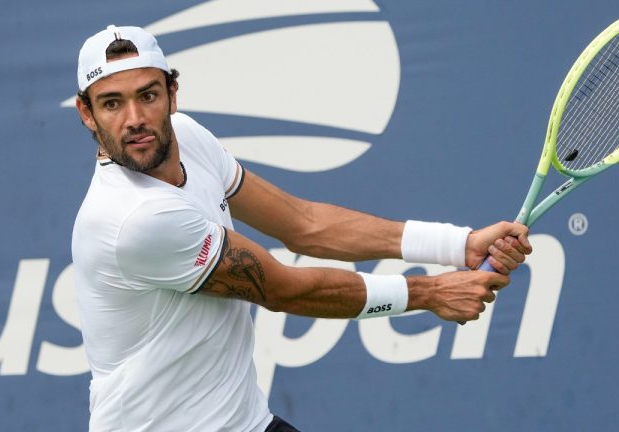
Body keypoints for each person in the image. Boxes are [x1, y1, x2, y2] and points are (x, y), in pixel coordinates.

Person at [71, 25, 532, 432]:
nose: (134, 120)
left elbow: (304, 224)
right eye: (112, 103)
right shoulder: (134, 219)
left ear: (173, 94)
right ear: (87, 113)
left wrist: (459, 245)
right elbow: (284, 290)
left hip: (245, 421)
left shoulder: (187, 136)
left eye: (147, 96)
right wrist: (430, 294)